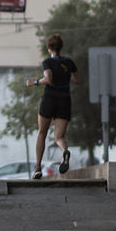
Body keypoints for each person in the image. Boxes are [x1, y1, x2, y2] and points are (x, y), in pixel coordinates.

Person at [26, 34, 80, 175]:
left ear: (49, 48)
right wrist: (66, 76)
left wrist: (35, 82)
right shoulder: (69, 62)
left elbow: (48, 79)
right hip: (65, 100)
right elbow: (79, 80)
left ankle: (38, 168)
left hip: (50, 99)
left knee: (42, 133)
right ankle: (64, 152)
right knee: (59, 137)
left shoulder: (47, 62)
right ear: (60, 47)